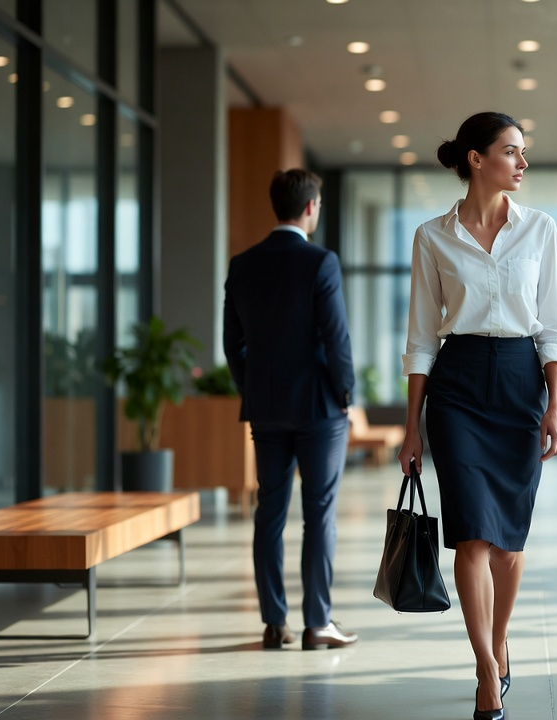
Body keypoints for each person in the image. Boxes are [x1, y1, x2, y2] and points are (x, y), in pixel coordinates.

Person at [398, 112, 557, 720]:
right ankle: (485, 668)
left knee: (508, 543)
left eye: (523, 153)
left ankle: (498, 642)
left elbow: (552, 327)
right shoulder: (432, 236)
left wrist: (554, 403)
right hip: (458, 387)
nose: (522, 162)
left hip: (522, 383)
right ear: (476, 159)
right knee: (470, 531)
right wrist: (411, 424)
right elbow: (420, 338)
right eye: (511, 151)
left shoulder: (541, 229)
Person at [222, 169, 359, 652]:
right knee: (318, 514)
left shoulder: (242, 265)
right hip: (319, 407)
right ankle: (317, 622)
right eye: (319, 204)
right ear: (309, 207)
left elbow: (231, 343)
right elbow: (336, 338)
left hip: (266, 407)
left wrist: (252, 388)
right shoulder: (320, 262)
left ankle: (273, 622)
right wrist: (347, 394)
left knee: (270, 512)